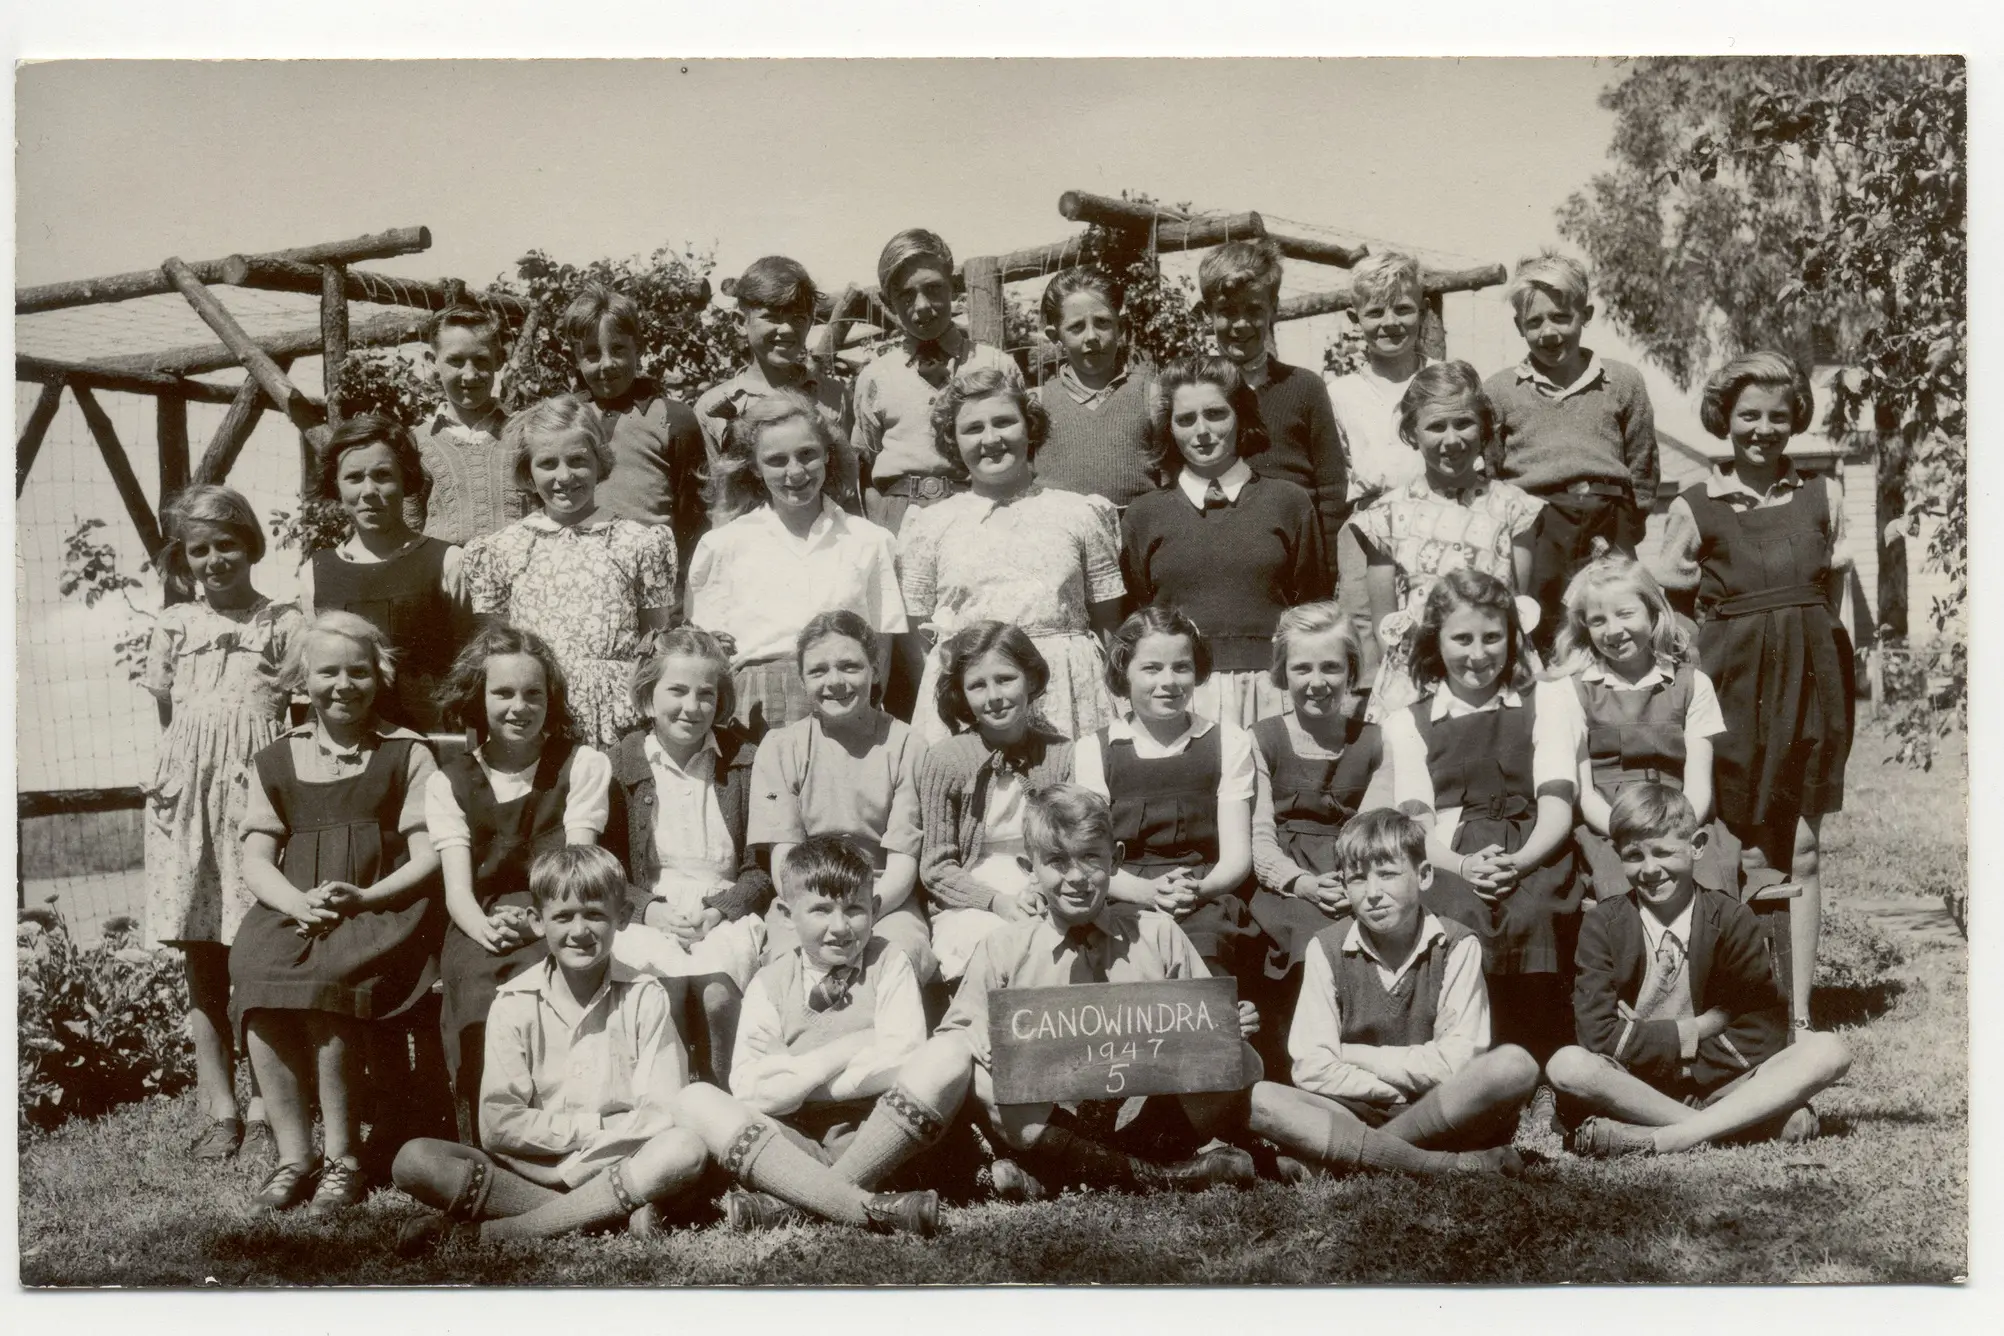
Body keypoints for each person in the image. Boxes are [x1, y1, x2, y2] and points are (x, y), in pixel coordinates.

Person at [906, 784, 1523, 1200]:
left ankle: (1100, 1168)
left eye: (1091, 859)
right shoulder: (1005, 948)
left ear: (1115, 859)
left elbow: (1207, 1035)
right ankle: (1152, 1178)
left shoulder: (1154, 930)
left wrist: (1230, 1027)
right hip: (1051, 1118)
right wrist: (991, 1044)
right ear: (1031, 868)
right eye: (1057, 862)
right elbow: (956, 1036)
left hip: (1146, 1114)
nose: (1076, 878)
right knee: (983, 1077)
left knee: (1243, 1070)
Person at [1657, 351, 1856, 1031]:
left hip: (1813, 681)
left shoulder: (1823, 494)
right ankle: (1729, 1007)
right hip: (1730, 684)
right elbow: (1670, 599)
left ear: (1795, 418)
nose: (1764, 428)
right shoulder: (1695, 504)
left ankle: (1798, 1013)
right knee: (1725, 848)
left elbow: (1837, 593)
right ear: (1725, 419)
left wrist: (1846, 666)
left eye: (1777, 414)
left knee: (1800, 845)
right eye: (1749, 415)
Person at [228, 612, 444, 1215]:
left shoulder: (407, 752)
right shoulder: (275, 759)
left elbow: (428, 856)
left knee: (331, 981)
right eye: (328, 672)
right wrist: (295, 901)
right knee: (256, 973)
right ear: (302, 680)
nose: (343, 685)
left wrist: (367, 898)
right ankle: (294, 1156)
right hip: (299, 906)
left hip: (383, 905)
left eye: (359, 671)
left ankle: (343, 1160)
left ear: (379, 678)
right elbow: (255, 859)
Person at [390, 845, 709, 1250]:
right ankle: (607, 1211)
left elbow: (661, 1115)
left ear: (623, 918)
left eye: (595, 914)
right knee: (415, 1160)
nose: (579, 931)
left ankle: (500, 1231)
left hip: (622, 1161)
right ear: (537, 922)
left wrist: (579, 1161)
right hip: (536, 1167)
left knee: (684, 1149)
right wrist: (591, 1132)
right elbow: (499, 1124)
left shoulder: (646, 996)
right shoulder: (513, 1002)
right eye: (563, 916)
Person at [1547, 785, 1850, 1157]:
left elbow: (1760, 1031)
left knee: (1828, 1049)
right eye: (1633, 855)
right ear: (1617, 856)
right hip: (1636, 1086)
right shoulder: (1602, 925)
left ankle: (1666, 1135)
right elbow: (1597, 1035)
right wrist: (1699, 1028)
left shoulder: (1731, 919)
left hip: (1723, 1081)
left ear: (1697, 845)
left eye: (1663, 852)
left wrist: (1648, 1039)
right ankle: (1726, 1125)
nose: (1650, 869)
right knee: (1567, 1065)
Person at [673, 836, 944, 1236]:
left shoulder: (890, 963)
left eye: (854, 909)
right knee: (694, 1099)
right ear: (786, 914)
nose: (839, 927)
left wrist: (794, 1076)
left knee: (940, 1061)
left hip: (872, 1134)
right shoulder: (769, 982)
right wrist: (847, 1048)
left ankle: (792, 1201)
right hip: (790, 1142)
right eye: (820, 910)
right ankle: (864, 1205)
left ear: (875, 909)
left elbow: (900, 1062)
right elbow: (750, 1090)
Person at [142, 485, 302, 1162]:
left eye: (226, 544)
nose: (215, 560)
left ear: (252, 546)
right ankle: (220, 1107)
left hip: (255, 800)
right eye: (200, 549)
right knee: (200, 954)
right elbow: (171, 717)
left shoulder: (283, 620)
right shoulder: (175, 625)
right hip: (187, 806)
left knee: (260, 950)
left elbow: (300, 714)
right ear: (184, 560)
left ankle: (270, 1102)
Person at [1381, 569, 1585, 1065]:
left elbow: (1557, 804)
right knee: (1459, 910)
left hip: (1532, 842)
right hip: (1450, 851)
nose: (1478, 654)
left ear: (1513, 638)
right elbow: (1417, 823)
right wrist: (1464, 866)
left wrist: (1519, 862)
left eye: (1493, 637)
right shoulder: (1409, 720)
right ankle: (1470, 1055)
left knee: (1534, 908)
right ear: (1436, 641)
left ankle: (1541, 1052)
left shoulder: (1549, 700)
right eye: (1462, 638)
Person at [427, 623, 610, 1140]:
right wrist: (485, 930)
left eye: (534, 694)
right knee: (475, 991)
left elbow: (578, 867)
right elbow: (458, 891)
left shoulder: (583, 765)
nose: (519, 706)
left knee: (550, 990)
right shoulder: (449, 781)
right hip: (481, 921)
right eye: (503, 692)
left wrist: (539, 924)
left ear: (551, 700)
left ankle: (562, 1135)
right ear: (477, 698)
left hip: (560, 913)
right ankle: (484, 1142)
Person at [1287, 809, 1540, 1160]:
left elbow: (1456, 1064)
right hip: (1355, 1107)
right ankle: (1429, 1161)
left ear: (1423, 875)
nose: (1373, 893)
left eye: (1388, 875)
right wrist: (1391, 1090)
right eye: (1358, 879)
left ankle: (1364, 1153)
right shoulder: (1325, 948)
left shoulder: (1457, 945)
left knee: (1514, 1066)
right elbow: (1311, 1068)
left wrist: (1349, 1054)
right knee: (1263, 1100)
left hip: (1438, 1105)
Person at [898, 364, 1125, 742]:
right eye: (973, 428)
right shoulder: (929, 525)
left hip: (1069, 696)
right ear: (952, 441)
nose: (991, 439)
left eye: (1004, 422)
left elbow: (1108, 623)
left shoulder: (1080, 513)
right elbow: (916, 639)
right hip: (972, 701)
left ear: (1029, 427)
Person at [1121, 355, 1329, 725]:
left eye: (1216, 414)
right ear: (1168, 429)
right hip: (1178, 696)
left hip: (1273, 695)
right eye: (1185, 419)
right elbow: (1140, 613)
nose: (1201, 431)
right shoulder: (1144, 515)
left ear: (1241, 417)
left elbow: (1312, 607)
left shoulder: (1289, 502)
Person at [462, 396, 679, 750]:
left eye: (578, 461)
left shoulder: (637, 542)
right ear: (527, 471)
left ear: (599, 462)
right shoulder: (502, 549)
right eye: (547, 463)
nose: (564, 476)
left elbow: (652, 643)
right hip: (538, 711)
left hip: (619, 716)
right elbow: (499, 652)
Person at [607, 627, 774, 1087]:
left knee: (718, 991)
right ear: (647, 696)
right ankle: (670, 1101)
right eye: (676, 691)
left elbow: (761, 868)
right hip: (648, 910)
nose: (692, 706)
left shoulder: (745, 760)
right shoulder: (622, 761)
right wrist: (646, 908)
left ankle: (726, 1098)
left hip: (724, 909)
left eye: (706, 694)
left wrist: (722, 910)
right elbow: (606, 865)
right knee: (663, 986)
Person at [686, 390, 905, 737]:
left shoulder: (870, 541)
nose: (795, 471)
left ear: (828, 457)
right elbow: (707, 656)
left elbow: (881, 655)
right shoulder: (722, 545)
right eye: (776, 460)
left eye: (807, 455)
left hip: (845, 701)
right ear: (755, 468)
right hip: (754, 711)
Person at [1344, 361, 1543, 723]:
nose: (1452, 440)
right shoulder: (1385, 516)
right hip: (1417, 681)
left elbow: (1516, 606)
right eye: (1436, 426)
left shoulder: (1515, 508)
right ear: (1412, 433)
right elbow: (1385, 624)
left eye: (1464, 423)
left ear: (1483, 427)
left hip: (1493, 673)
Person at [1482, 249, 1658, 652]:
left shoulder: (1623, 381)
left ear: (1586, 314)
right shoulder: (1499, 390)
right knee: (1539, 629)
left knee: (1615, 623)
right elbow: (1490, 471)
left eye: (1562, 317)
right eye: (1534, 322)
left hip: (1608, 521)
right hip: (1536, 526)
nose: (1549, 332)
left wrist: (1630, 524)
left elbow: (1643, 463)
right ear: (1518, 326)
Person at [748, 612, 935, 982]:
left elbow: (903, 862)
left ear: (876, 670)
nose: (835, 682)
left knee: (896, 959)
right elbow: (784, 859)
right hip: (806, 901)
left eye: (850, 667)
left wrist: (860, 913)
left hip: (885, 901)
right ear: (802, 679)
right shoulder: (780, 747)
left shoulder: (906, 745)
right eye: (818, 671)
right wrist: (824, 916)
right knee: (790, 968)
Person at [1072, 607, 1255, 978]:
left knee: (1206, 948)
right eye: (1151, 668)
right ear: (1124, 672)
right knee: (1124, 955)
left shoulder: (1227, 741)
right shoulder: (1096, 749)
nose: (1168, 682)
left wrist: (1196, 890)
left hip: (1203, 894)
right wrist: (1147, 893)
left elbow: (1236, 857)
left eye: (1181, 667)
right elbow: (1092, 856)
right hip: (1123, 893)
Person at [1244, 603, 1383, 1068]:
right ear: (1282, 673)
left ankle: (1364, 1055)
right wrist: (1301, 883)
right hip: (1287, 880)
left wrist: (1355, 882)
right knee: (1304, 936)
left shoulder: (1374, 741)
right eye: (1301, 668)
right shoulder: (1262, 739)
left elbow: (1380, 831)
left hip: (1356, 872)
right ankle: (1299, 1064)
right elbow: (1260, 839)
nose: (1316, 681)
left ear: (1352, 671)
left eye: (1331, 667)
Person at [1549, 553, 1731, 901]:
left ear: (1653, 612)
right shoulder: (1573, 690)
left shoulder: (1692, 684)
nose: (1613, 630)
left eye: (1625, 613)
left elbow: (1698, 785)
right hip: (1609, 829)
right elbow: (1585, 795)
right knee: (1621, 893)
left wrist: (1675, 832)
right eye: (1598, 620)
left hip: (1682, 820)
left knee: (1710, 889)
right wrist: (1629, 834)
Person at [917, 622, 1076, 983]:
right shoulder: (946, 759)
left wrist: (1040, 891)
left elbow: (1072, 846)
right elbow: (937, 866)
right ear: (961, 693)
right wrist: (998, 903)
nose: (993, 696)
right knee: (995, 943)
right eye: (977, 685)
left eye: (1005, 679)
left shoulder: (1061, 753)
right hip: (971, 899)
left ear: (1031, 680)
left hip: (1046, 886)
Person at [300, 414, 467, 731]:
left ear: (406, 479)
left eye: (382, 475)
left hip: (429, 742)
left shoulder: (447, 561)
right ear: (336, 484)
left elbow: (466, 664)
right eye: (354, 477)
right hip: (348, 745)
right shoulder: (315, 572)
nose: (369, 490)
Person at [850, 228, 1021, 537]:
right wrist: (882, 516)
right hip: (898, 518)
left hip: (979, 511)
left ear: (953, 286)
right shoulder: (875, 378)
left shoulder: (995, 365)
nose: (922, 306)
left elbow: (1024, 452)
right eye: (906, 295)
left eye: (933, 289)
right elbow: (864, 462)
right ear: (888, 300)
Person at [1197, 237, 1347, 587]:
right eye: (1227, 312)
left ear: (1273, 308)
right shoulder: (1191, 393)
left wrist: (1326, 572)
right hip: (1216, 553)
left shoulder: (1305, 387)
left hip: (1296, 555)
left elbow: (1331, 488)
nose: (1241, 324)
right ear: (1208, 314)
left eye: (1253, 310)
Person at [559, 282, 709, 571]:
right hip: (578, 572)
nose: (606, 364)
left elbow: (693, 514)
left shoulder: (672, 418)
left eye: (618, 349)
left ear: (638, 348)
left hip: (651, 574)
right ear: (575, 358)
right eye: (591, 353)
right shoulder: (565, 416)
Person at [694, 255, 856, 508]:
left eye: (799, 319)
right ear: (740, 323)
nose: (787, 330)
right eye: (771, 317)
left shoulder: (834, 396)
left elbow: (848, 487)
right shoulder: (714, 406)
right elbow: (718, 499)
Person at [1032, 267, 1156, 508]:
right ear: (1055, 336)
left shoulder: (1150, 396)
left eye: (1102, 322)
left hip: (1137, 538)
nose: (1091, 336)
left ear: (1120, 327)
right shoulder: (1038, 403)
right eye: (1076, 327)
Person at [405, 306, 529, 547]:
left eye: (481, 360)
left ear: (499, 360)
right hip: (445, 579)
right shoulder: (416, 442)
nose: (470, 374)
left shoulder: (525, 433)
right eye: (455, 361)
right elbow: (409, 526)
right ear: (433, 362)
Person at [1324, 250, 1438, 508]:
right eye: (1375, 312)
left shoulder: (1444, 381)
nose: (1390, 322)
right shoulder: (1340, 394)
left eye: (1403, 309)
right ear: (1355, 319)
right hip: (1370, 523)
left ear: (1424, 311)